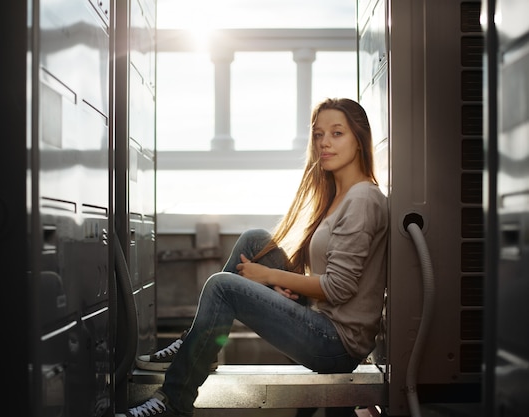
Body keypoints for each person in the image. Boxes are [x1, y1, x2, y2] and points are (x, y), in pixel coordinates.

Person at [117, 98, 388, 417]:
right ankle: (200, 345)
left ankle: (174, 400)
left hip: (335, 344)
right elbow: (328, 280)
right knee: (255, 239)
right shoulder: (338, 196)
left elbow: (339, 288)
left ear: (359, 139)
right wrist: (288, 288)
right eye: (318, 134)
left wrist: (269, 277)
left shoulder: (361, 199)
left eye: (337, 133)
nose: (324, 142)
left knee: (222, 287)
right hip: (322, 322)